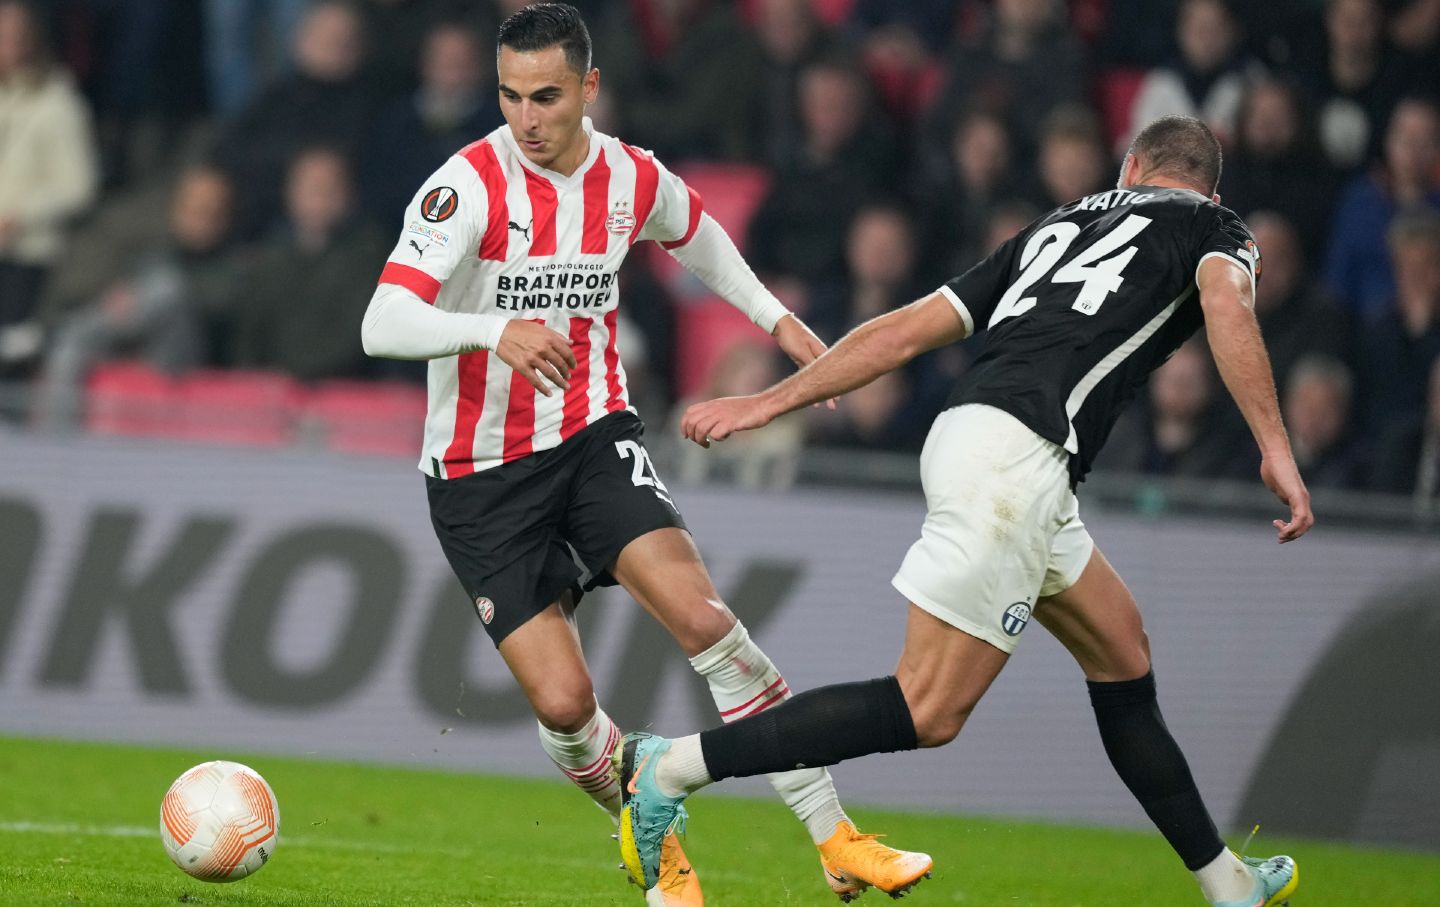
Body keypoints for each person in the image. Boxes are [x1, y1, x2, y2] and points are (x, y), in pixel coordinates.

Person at [615, 115, 1313, 907]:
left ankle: (1228, 884)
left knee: (1122, 650)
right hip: (1018, 464)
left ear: (1131, 166)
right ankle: (669, 767)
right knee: (929, 706)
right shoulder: (1215, 226)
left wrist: (772, 399)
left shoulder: (1059, 224)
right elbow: (1228, 307)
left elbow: (907, 327)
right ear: (1210, 190)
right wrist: (1276, 449)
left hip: (976, 438)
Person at [359, 5, 930, 905]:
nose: (526, 119)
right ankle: (651, 833)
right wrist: (490, 331)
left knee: (708, 624)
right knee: (563, 705)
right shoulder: (466, 186)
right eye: (509, 96)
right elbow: (381, 320)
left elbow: (695, 233)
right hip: (479, 478)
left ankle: (834, 835)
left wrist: (774, 317)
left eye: (546, 96)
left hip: (592, 435)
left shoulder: (628, 175)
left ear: (589, 86)